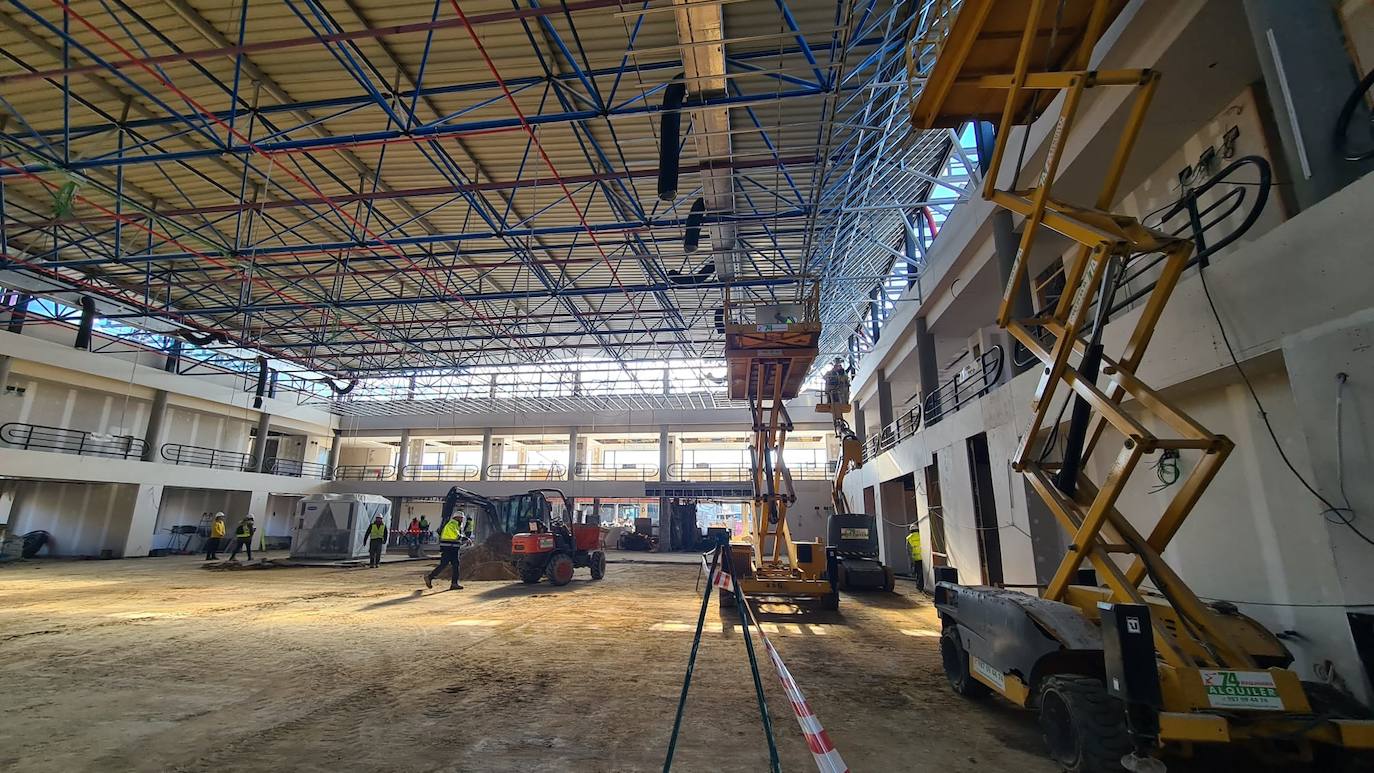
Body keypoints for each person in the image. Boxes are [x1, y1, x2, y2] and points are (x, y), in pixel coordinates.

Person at [425, 513, 465, 591]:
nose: (462, 520)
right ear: (457, 517)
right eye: (461, 518)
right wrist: (464, 538)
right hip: (449, 548)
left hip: (452, 548)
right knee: (446, 564)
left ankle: (454, 583)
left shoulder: (456, 525)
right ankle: (430, 577)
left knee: (454, 565)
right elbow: (456, 535)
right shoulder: (452, 524)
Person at [906, 523, 924, 592]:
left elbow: (908, 550)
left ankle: (919, 586)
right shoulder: (921, 535)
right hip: (923, 557)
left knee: (918, 572)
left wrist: (911, 560)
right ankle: (921, 585)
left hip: (915, 558)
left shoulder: (909, 538)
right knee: (922, 573)